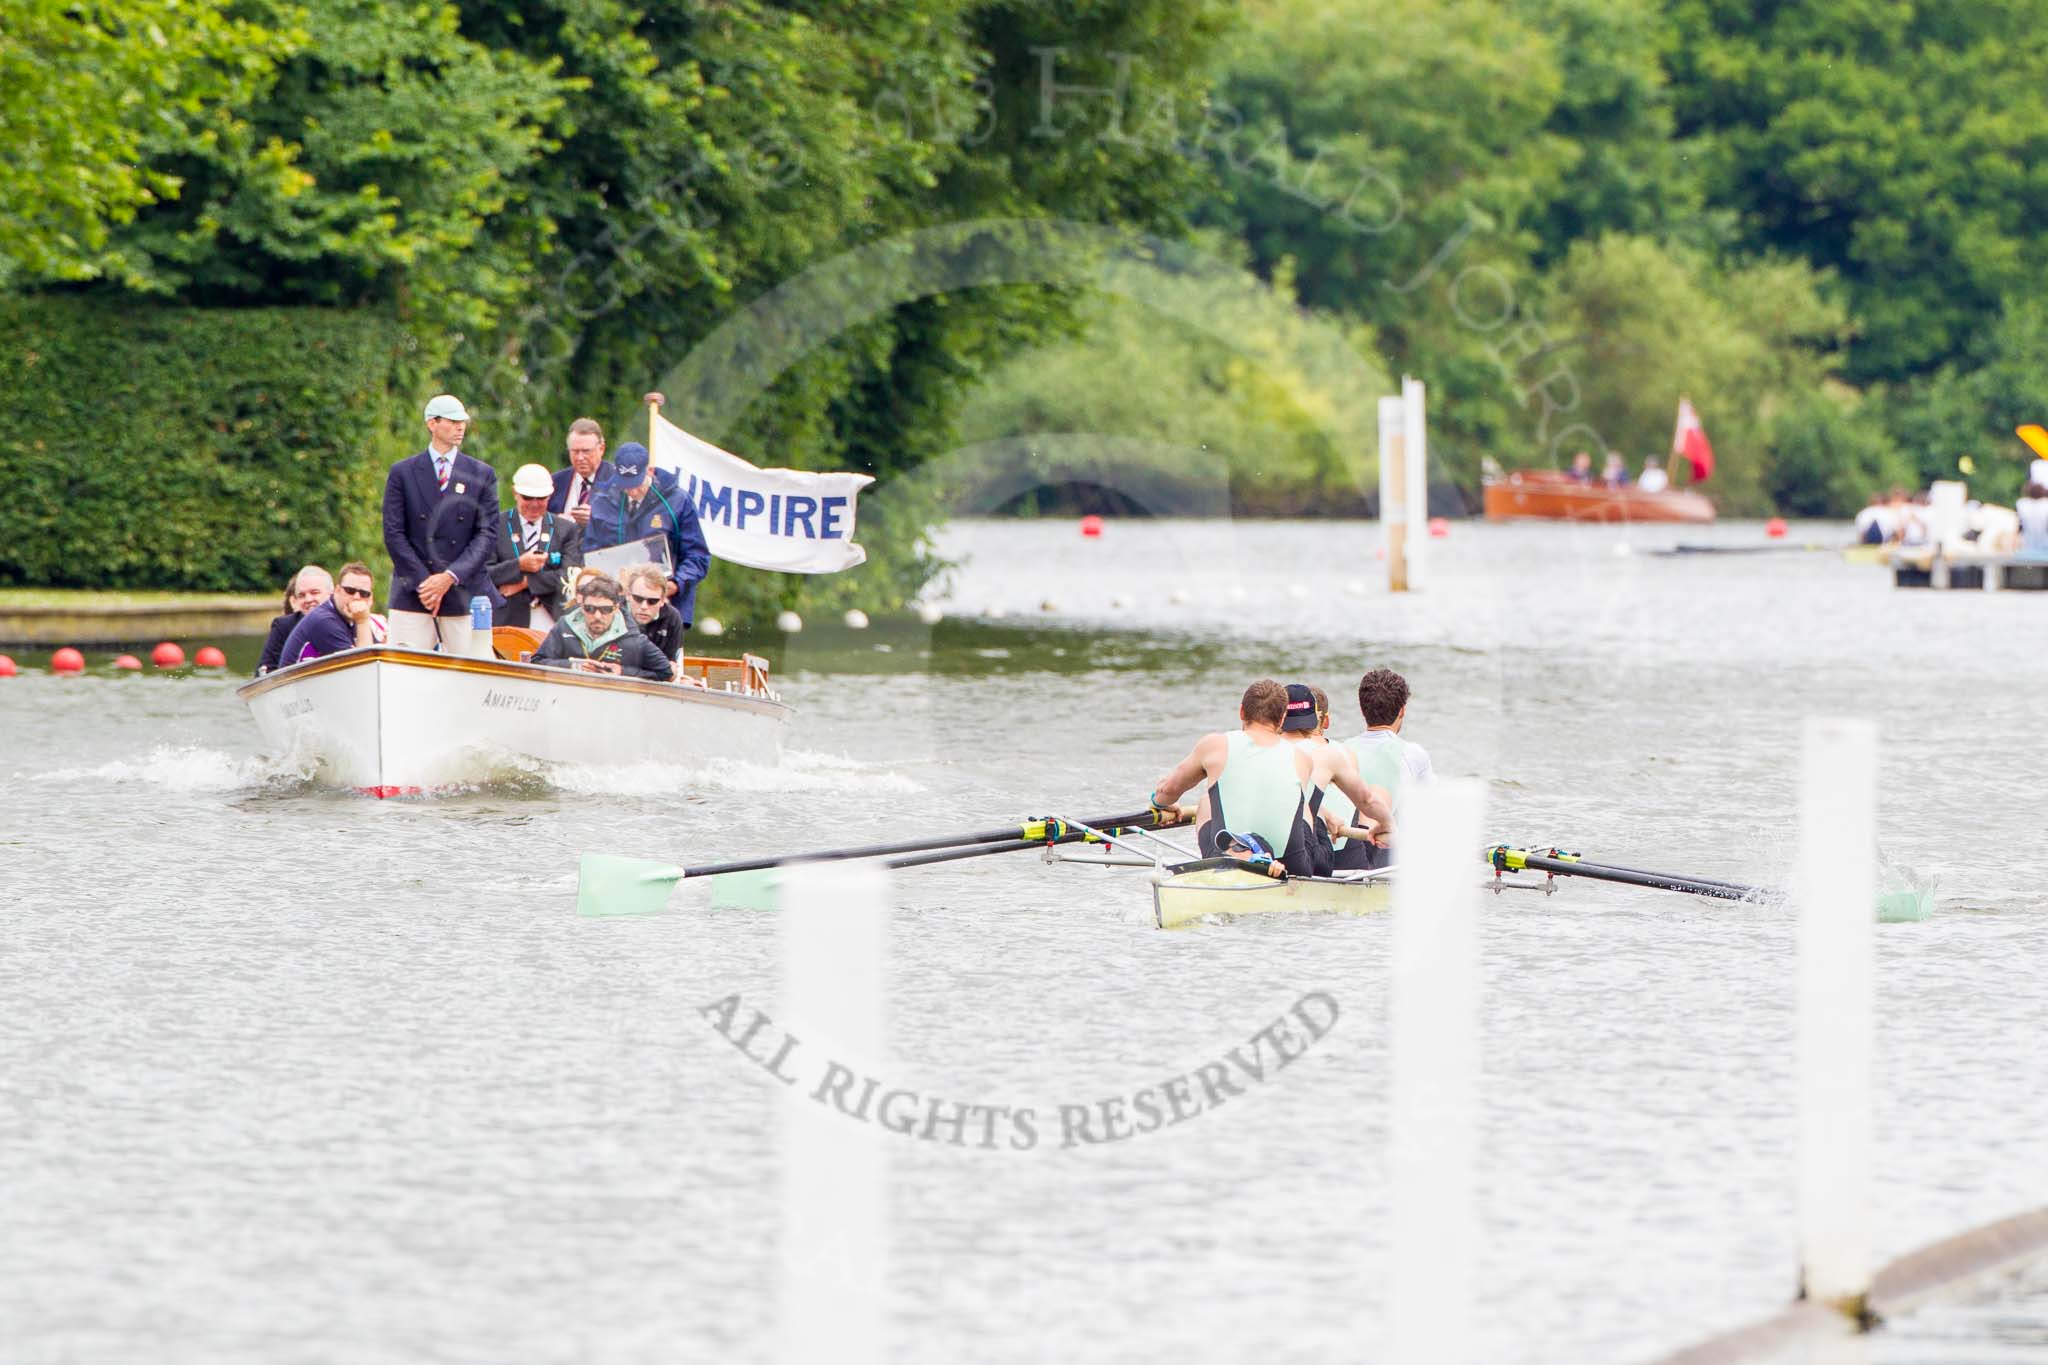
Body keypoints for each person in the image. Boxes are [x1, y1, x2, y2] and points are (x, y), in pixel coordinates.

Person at [1149, 679, 1393, 877]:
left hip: (1225, 853)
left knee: (1206, 802)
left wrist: (1160, 804)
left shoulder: (1214, 744)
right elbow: (1367, 800)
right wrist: (1387, 825)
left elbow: (1168, 790)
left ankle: (1235, 855)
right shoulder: (1301, 758)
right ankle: (1252, 849)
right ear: (1281, 719)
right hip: (1295, 864)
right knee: (1308, 811)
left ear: (1242, 711)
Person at [382, 393, 500, 655]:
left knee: (473, 673)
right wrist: (426, 583)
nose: (461, 427)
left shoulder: (481, 474)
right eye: (453, 421)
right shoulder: (403, 472)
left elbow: (487, 533)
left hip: (463, 588)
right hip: (413, 590)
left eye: (463, 422)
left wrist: (448, 578)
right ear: (432, 424)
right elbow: (393, 532)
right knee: (405, 671)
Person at [584, 441, 711, 626]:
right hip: (616, 607)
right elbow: (591, 551)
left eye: (636, 483)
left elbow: (698, 556)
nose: (632, 491)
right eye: (626, 485)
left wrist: (676, 584)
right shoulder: (603, 501)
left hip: (664, 606)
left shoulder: (678, 501)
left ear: (649, 471)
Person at [1321, 668, 1435, 871]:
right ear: (1402, 710)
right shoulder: (1413, 754)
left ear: (1362, 709)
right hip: (1377, 856)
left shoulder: (1340, 749)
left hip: (1336, 853)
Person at [529, 572, 675, 679]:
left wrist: (622, 671)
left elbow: (665, 671)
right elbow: (537, 661)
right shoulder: (564, 626)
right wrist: (572, 665)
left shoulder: (633, 638)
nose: (597, 616)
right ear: (581, 606)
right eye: (590, 609)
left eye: (605, 610)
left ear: (616, 608)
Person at [490, 463, 583, 630]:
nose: (534, 505)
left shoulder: (566, 529)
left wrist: (526, 583)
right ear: (515, 493)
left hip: (551, 616)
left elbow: (571, 575)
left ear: (550, 496)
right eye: (527, 497)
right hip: (508, 619)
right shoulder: (496, 526)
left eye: (540, 498)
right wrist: (518, 565)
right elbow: (484, 573)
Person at [275, 562, 377, 667]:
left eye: (364, 594)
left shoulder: (355, 617)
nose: (356, 597)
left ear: (370, 598)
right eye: (350, 591)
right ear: (337, 590)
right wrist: (362, 622)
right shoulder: (323, 620)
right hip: (297, 682)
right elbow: (363, 667)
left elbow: (377, 658)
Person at [256, 565, 333, 675]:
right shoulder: (283, 626)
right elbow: (264, 672)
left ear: (331, 594)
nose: (308, 599)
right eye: (302, 595)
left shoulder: (345, 621)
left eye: (315, 593)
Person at [619, 562, 687, 679]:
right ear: (628, 595)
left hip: (655, 681)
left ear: (662, 601)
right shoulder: (614, 611)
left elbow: (671, 672)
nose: (644, 606)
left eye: (652, 601)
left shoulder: (672, 618)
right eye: (638, 599)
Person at [548, 417, 613, 529]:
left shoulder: (618, 482)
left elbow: (630, 524)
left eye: (586, 451)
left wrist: (596, 519)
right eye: (575, 451)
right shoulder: (555, 482)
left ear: (601, 449)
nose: (580, 458)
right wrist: (558, 520)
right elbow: (536, 517)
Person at [2017, 483, 2048, 557]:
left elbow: (2018, 526)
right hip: (2044, 545)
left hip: (2025, 546)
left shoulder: (2022, 504)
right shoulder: (2045, 504)